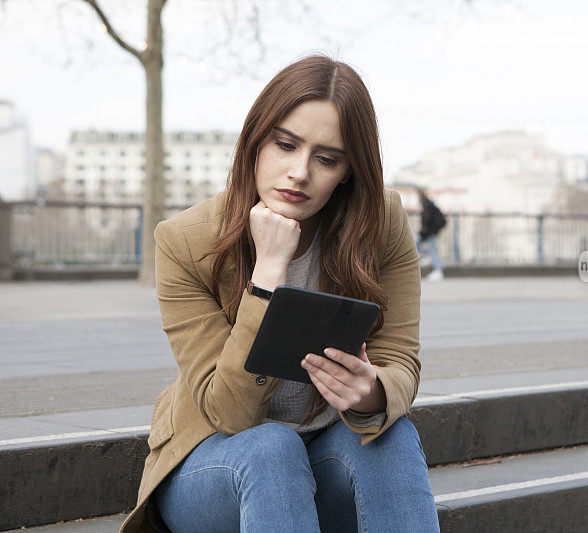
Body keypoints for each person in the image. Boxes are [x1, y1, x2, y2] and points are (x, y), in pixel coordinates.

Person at [119, 55, 439, 533]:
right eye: (285, 145)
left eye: (326, 158)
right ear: (255, 140)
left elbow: (400, 359)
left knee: (391, 436)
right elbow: (227, 412)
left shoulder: (381, 222)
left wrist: (370, 392)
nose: (299, 172)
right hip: (216, 466)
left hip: (324, 456)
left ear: (349, 171)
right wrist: (268, 274)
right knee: (273, 448)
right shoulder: (186, 241)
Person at [415, 187, 447, 281]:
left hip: (429, 232)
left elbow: (427, 221)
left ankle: (438, 270)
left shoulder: (427, 205)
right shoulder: (429, 204)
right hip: (430, 232)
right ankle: (429, 260)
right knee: (418, 245)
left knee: (429, 249)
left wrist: (423, 232)